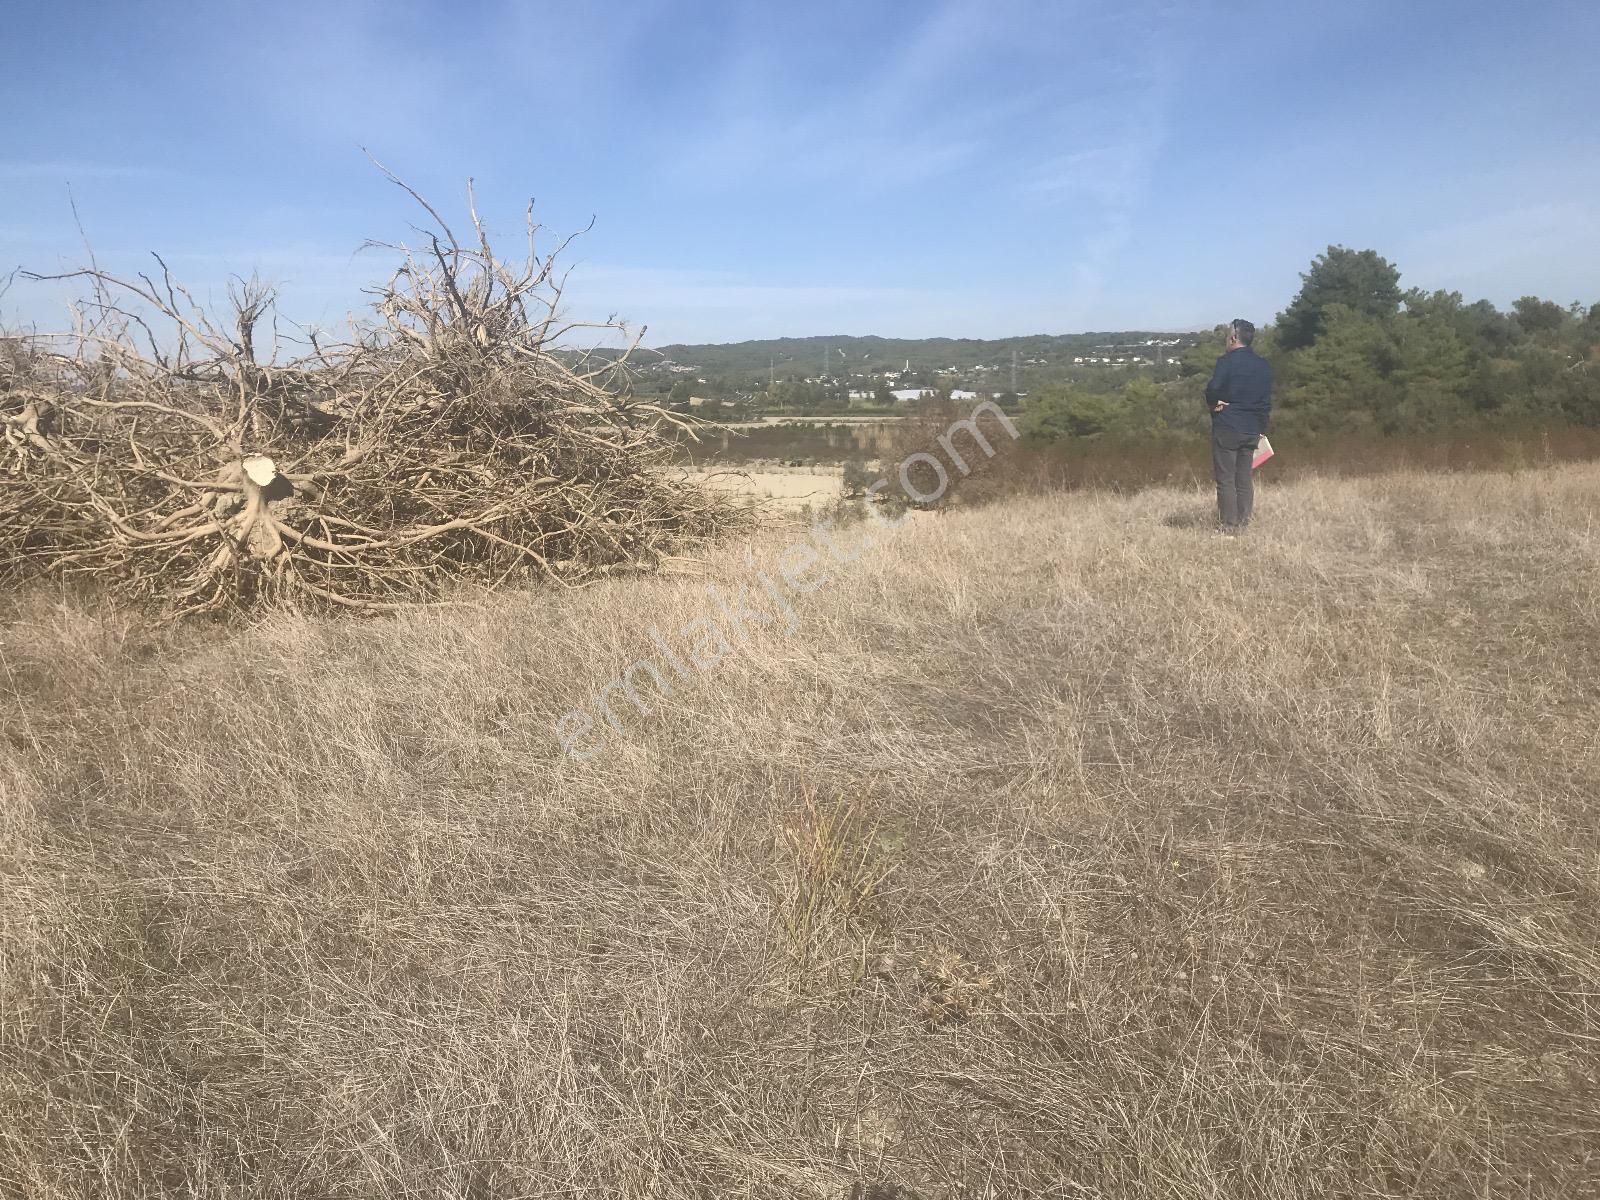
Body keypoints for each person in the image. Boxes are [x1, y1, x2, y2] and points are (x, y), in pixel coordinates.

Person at [1204, 319, 1272, 530]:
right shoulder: (1264, 365)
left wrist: (1214, 403)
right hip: (1253, 427)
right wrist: (1261, 428)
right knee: (1244, 478)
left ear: (1233, 338)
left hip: (1228, 426)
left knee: (1226, 479)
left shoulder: (1226, 362)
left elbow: (1213, 389)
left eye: (1227, 335)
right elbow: (1266, 401)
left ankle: (1229, 526)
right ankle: (1243, 523)